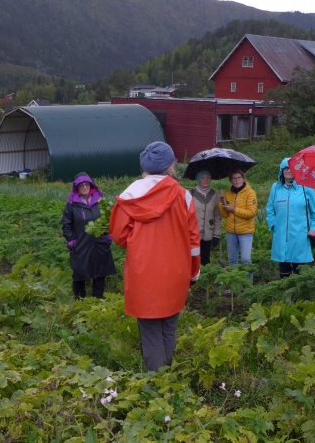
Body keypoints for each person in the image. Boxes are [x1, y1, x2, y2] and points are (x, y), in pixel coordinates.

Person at [109, 142, 201, 371]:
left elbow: (119, 236)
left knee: (150, 331)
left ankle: (157, 381)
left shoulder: (130, 195)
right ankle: (168, 375)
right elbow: (193, 241)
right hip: (176, 271)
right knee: (169, 327)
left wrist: (140, 240)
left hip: (143, 272)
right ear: (171, 165)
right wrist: (193, 273)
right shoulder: (183, 195)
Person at [61, 173, 116, 299]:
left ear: (91, 186)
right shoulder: (72, 205)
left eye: (86, 185)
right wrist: (71, 239)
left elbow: (109, 219)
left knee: (100, 270)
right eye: (81, 185)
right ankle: (80, 299)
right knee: (79, 271)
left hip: (100, 242)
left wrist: (109, 235)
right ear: (77, 188)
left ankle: (98, 298)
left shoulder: (100, 201)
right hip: (81, 243)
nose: (84, 187)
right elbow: (66, 224)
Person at [266, 157, 315, 278]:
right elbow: (270, 209)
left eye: (291, 168)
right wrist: (273, 225)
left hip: (300, 238)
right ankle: (284, 290)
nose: (288, 170)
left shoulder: (306, 188)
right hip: (281, 238)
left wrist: (314, 228)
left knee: (299, 273)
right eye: (285, 168)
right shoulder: (275, 188)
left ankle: (299, 290)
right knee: (284, 273)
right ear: (281, 171)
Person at [220, 169, 257, 267]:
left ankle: (249, 277)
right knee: (232, 259)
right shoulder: (228, 193)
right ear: (231, 180)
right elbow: (225, 214)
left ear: (243, 178)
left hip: (245, 231)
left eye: (239, 177)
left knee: (246, 259)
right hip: (231, 231)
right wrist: (221, 201)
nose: (236, 180)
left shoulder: (250, 193)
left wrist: (234, 209)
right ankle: (234, 277)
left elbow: (251, 213)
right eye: (234, 178)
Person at [190, 170, 222, 266]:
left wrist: (217, 234)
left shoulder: (214, 194)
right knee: (193, 258)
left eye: (208, 177)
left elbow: (217, 216)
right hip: (193, 234)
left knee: (206, 259)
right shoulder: (190, 193)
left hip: (208, 233)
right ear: (198, 180)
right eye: (202, 178)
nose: (205, 180)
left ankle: (205, 274)